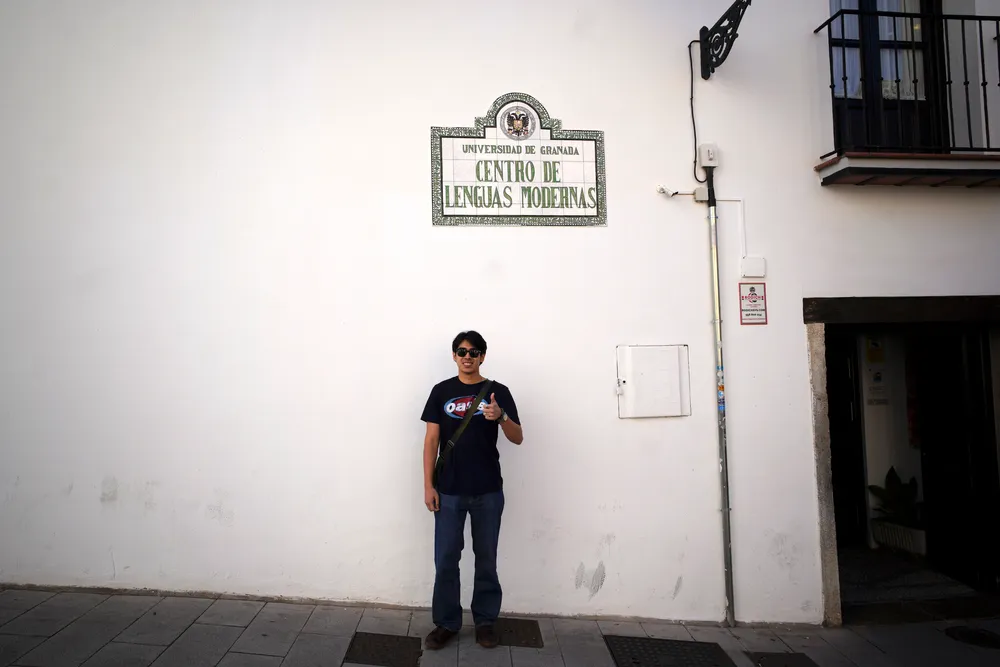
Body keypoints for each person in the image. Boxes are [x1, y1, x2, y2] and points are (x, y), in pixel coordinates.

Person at [420, 330, 523, 650]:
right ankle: (447, 623)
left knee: (486, 558)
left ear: (483, 357)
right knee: (446, 559)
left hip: (488, 490)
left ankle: (485, 622)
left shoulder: (498, 392)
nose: (468, 357)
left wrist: (501, 416)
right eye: (462, 351)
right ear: (454, 355)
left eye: (474, 352)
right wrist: (428, 486)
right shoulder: (441, 391)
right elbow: (431, 441)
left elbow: (518, 437)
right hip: (448, 491)